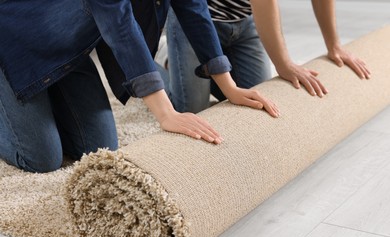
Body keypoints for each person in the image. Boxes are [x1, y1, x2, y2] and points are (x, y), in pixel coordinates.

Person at [0, 0, 279, 173]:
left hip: (67, 54)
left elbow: (194, 8)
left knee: (97, 149)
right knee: (41, 159)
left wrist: (229, 86)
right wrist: (166, 114)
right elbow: (119, 24)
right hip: (13, 45)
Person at [166, 0, 371, 113]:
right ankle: (163, 61)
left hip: (246, 21)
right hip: (197, 23)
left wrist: (334, 45)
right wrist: (284, 64)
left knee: (258, 102)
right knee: (193, 111)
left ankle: (205, 69)